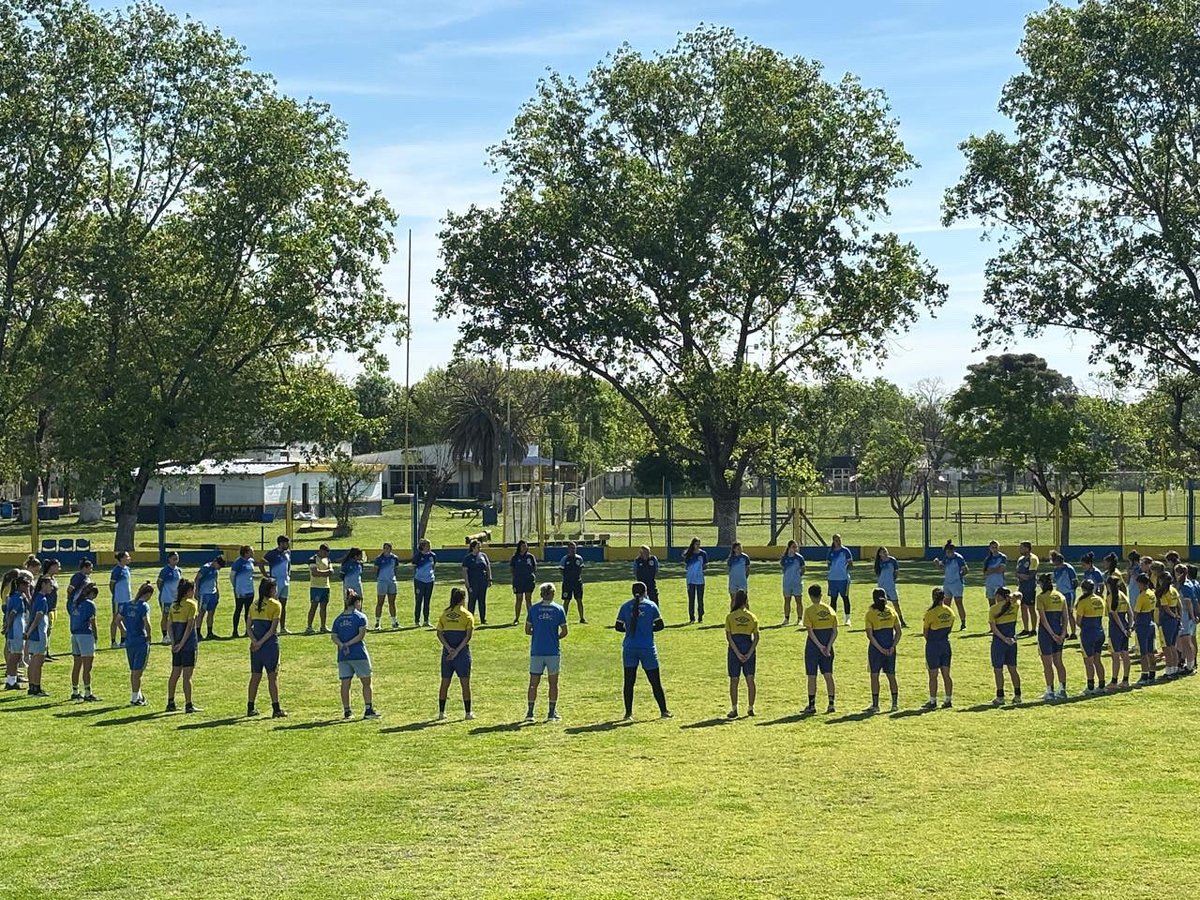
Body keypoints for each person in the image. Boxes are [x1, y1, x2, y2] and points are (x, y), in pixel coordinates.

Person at [615, 582, 671, 719]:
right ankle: (664, 711)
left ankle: (628, 713)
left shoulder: (625, 606)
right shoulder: (651, 606)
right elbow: (660, 626)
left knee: (629, 681)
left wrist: (629, 630)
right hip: (647, 648)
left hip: (629, 648)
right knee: (655, 681)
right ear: (646, 591)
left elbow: (618, 627)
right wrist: (647, 629)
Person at [332, 590, 379, 720]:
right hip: (358, 654)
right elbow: (361, 635)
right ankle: (368, 709)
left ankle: (347, 711)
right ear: (357, 602)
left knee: (345, 683)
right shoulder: (360, 617)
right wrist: (349, 643)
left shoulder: (338, 619)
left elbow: (334, 636)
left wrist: (342, 645)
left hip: (343, 656)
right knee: (366, 682)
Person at [526, 582, 568, 721]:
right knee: (553, 683)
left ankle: (530, 713)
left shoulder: (533, 609)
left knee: (533, 683)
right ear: (553, 594)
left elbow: (527, 630)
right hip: (552, 651)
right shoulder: (559, 609)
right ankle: (551, 713)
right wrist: (554, 637)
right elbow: (564, 631)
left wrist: (538, 633)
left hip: (537, 650)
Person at [246, 576, 286, 718]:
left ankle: (250, 707)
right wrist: (261, 642)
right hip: (269, 646)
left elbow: (248, 626)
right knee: (272, 677)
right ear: (271, 589)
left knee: (255, 676)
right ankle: (276, 709)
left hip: (255, 646)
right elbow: (272, 629)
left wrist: (255, 641)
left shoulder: (254, 604)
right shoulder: (276, 605)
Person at [436, 587, 474, 721]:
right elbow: (468, 637)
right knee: (465, 683)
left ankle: (441, 713)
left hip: (447, 653)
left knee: (445, 682)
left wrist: (448, 648)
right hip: (462, 654)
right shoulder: (467, 615)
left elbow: (439, 633)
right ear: (463, 599)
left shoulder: (444, 614)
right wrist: (457, 651)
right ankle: (468, 713)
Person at [864, 587, 901, 713]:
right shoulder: (892, 612)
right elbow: (899, 632)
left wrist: (879, 648)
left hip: (876, 650)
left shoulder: (870, 614)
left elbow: (870, 635)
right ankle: (894, 704)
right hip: (890, 649)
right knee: (891, 676)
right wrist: (892, 647)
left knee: (874, 676)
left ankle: (875, 705)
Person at [802, 584, 837, 714]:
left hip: (813, 648)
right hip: (827, 647)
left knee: (812, 676)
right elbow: (835, 631)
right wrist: (827, 646)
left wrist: (819, 646)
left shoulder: (809, 611)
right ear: (821, 594)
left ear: (810, 596)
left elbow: (810, 632)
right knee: (828, 675)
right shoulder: (830, 610)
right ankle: (831, 704)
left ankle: (812, 705)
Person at [167, 579, 201, 713]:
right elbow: (190, 625)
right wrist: (182, 643)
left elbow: (169, 625)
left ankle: (170, 702)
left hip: (176, 645)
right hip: (188, 645)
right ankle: (188, 704)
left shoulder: (173, 605)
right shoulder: (192, 604)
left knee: (175, 673)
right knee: (187, 676)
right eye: (193, 590)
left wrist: (174, 642)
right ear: (188, 591)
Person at [725, 589, 759, 718]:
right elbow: (756, 637)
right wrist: (749, 653)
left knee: (734, 680)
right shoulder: (752, 617)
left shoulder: (730, 617)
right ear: (746, 601)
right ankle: (750, 708)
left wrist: (737, 653)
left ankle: (734, 708)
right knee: (750, 679)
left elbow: (729, 637)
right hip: (748, 648)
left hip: (734, 651)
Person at [119, 581, 154, 706]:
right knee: (138, 670)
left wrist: (124, 631)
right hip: (140, 640)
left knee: (133, 669)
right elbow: (147, 623)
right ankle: (135, 698)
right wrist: (149, 636)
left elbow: (118, 620)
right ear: (148, 594)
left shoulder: (128, 604)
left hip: (129, 640)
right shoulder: (144, 606)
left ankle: (138, 694)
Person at [1036, 572, 1069, 701]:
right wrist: (1062, 634)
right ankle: (1062, 689)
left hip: (1046, 633)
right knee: (1059, 662)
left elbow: (1043, 620)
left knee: (1047, 664)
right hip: (1059, 630)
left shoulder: (1041, 598)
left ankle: (1050, 691)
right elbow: (1065, 617)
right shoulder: (1061, 596)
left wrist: (1052, 634)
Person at [922, 587, 956, 709]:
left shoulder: (930, 613)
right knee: (946, 674)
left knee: (933, 675)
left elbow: (925, 632)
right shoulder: (950, 612)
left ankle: (932, 701)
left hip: (933, 646)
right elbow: (950, 628)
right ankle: (948, 700)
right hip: (945, 644)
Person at [987, 586, 1021, 706]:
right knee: (1013, 669)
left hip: (999, 643)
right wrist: (1012, 597)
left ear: (999, 596)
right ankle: (1017, 695)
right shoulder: (1015, 605)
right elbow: (1020, 595)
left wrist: (1003, 639)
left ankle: (1000, 697)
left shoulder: (994, 609)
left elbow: (994, 628)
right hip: (1012, 641)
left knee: (998, 670)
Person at [68, 583, 100, 701]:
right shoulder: (90, 604)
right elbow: (93, 622)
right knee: (87, 667)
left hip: (75, 635)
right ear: (91, 594)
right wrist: (96, 635)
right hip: (85, 636)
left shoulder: (75, 603)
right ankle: (88, 692)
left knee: (76, 665)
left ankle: (75, 691)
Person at [1075, 580, 1107, 694]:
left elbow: (1078, 621)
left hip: (1088, 634)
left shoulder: (1083, 602)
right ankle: (1102, 685)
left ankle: (1090, 687)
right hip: (1100, 632)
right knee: (1098, 660)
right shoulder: (1100, 599)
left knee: (1088, 661)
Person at [24, 575, 52, 697]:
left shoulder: (36, 598)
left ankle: (31, 687)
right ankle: (36, 687)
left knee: (32, 661)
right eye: (50, 584)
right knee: (38, 662)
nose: (52, 587)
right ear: (43, 585)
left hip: (33, 634)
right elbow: (37, 619)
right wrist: (29, 632)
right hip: (39, 634)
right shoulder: (42, 600)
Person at [3, 570, 31, 691]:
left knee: (14, 656)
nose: (27, 587)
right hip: (16, 630)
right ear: (19, 586)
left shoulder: (14, 597)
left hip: (15, 630)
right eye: (25, 585)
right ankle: (11, 681)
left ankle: (11, 680)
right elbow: (13, 613)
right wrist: (8, 626)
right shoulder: (18, 598)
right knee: (15, 656)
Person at [261, 535, 293, 634]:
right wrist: (267, 576)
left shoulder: (287, 553)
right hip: (276, 582)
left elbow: (288, 565)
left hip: (285, 582)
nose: (288, 545)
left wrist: (288, 575)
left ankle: (282, 628)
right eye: (286, 543)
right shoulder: (272, 553)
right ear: (281, 543)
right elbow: (261, 562)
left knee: (283, 605)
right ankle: (271, 629)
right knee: (273, 605)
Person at [1105, 576, 1132, 689]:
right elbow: (1130, 613)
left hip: (1116, 629)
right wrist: (1129, 627)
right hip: (1125, 626)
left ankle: (1114, 681)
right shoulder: (1123, 595)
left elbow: (1114, 614)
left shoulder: (1111, 597)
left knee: (1115, 656)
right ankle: (1125, 680)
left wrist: (1122, 629)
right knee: (1125, 654)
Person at [935, 540, 969, 631]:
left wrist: (959, 576)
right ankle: (946, 622)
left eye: (949, 552)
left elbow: (966, 570)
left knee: (958, 602)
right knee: (946, 603)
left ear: (953, 551)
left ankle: (963, 623)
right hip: (947, 583)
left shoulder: (959, 558)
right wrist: (937, 564)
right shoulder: (946, 558)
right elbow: (941, 567)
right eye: (947, 552)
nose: (948, 554)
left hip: (957, 584)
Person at [1155, 572, 1182, 678]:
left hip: (1166, 621)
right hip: (1175, 621)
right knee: (1173, 646)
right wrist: (1178, 616)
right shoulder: (1174, 590)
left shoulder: (1163, 593)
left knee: (1166, 647)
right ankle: (1175, 669)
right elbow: (1179, 605)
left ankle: (1169, 670)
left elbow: (1165, 608)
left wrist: (1173, 615)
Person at [1132, 573, 1157, 683]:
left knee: (1143, 652)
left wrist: (1133, 623)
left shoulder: (1142, 596)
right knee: (1151, 651)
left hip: (1142, 624)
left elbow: (1136, 612)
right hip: (1150, 622)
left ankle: (1144, 675)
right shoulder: (1152, 593)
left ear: (1141, 583)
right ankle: (1152, 673)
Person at [873, 546, 906, 628]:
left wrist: (893, 580)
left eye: (885, 551)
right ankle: (882, 620)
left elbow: (896, 571)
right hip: (881, 586)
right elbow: (878, 573)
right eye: (883, 551)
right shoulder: (878, 562)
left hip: (891, 585)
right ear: (879, 554)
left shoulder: (892, 560)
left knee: (896, 603)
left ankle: (901, 620)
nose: (885, 552)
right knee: (881, 604)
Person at [195, 554, 225, 640]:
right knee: (201, 613)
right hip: (204, 593)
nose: (219, 568)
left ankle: (210, 632)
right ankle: (197, 632)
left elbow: (215, 581)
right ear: (215, 562)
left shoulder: (215, 570)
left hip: (213, 593)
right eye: (219, 566)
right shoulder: (205, 568)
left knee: (211, 613)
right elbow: (197, 579)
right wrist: (196, 591)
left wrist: (217, 591)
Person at [461, 540, 492, 625]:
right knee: (472, 601)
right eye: (478, 547)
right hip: (473, 583)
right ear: (473, 548)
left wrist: (489, 579)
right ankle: (470, 619)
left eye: (480, 547)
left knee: (482, 600)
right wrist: (467, 583)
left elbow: (487, 567)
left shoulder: (483, 556)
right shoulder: (467, 558)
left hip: (483, 582)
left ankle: (483, 619)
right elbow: (464, 571)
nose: (479, 549)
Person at [229, 546, 257, 639]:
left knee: (248, 611)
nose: (253, 552)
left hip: (249, 589)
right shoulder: (238, 563)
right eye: (251, 551)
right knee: (238, 609)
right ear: (246, 552)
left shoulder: (251, 561)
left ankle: (247, 630)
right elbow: (232, 576)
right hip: (240, 590)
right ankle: (235, 631)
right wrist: (236, 587)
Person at [826, 534, 854, 627]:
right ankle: (833, 619)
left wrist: (845, 570)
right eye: (836, 540)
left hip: (843, 579)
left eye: (839, 540)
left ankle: (847, 619)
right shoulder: (830, 552)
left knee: (845, 598)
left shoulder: (845, 551)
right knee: (833, 599)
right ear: (833, 541)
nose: (838, 541)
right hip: (832, 579)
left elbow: (851, 564)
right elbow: (828, 564)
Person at [1050, 551, 1079, 640]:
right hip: (1060, 594)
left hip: (1069, 593)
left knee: (1069, 613)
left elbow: (1075, 582)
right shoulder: (1056, 570)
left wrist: (1071, 591)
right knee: (1061, 613)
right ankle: (1065, 632)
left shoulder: (1068, 568)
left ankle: (1073, 633)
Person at [306, 543, 333, 635]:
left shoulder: (328, 559)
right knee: (313, 606)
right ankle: (309, 626)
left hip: (326, 586)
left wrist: (321, 572)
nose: (326, 555)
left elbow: (331, 571)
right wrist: (325, 573)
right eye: (325, 553)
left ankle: (323, 626)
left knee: (324, 607)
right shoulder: (312, 559)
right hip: (316, 587)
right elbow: (314, 573)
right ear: (320, 551)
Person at [156, 551, 182, 645]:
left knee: (175, 616)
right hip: (166, 598)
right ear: (169, 559)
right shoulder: (165, 571)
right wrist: (164, 592)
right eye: (174, 559)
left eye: (177, 558)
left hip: (175, 598)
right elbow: (159, 583)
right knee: (165, 616)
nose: (176, 561)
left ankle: (173, 635)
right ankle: (165, 636)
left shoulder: (178, 570)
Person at [1015, 541, 1040, 636]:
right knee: (1023, 607)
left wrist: (1020, 575)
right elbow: (1017, 574)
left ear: (1027, 548)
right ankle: (1026, 629)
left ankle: (1033, 629)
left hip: (1030, 587)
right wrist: (1020, 576)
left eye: (1021, 548)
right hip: (1021, 587)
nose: (1020, 549)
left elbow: (1030, 575)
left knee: (1031, 608)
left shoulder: (1033, 559)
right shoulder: (1020, 559)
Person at [376, 541, 402, 630]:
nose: (385, 550)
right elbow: (376, 570)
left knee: (392, 602)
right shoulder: (379, 559)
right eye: (384, 548)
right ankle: (377, 622)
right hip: (382, 581)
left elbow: (396, 569)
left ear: (390, 549)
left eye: (387, 548)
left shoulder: (394, 558)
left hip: (392, 581)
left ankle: (394, 622)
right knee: (380, 602)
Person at [510, 540, 537, 624]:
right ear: (519, 547)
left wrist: (531, 576)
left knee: (528, 599)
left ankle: (530, 619)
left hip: (528, 581)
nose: (524, 548)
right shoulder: (515, 557)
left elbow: (534, 568)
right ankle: (516, 618)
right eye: (523, 546)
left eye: (526, 546)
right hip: (518, 581)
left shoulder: (530, 557)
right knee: (519, 599)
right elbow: (512, 569)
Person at [559, 541, 586, 624]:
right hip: (567, 583)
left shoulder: (579, 558)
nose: (573, 550)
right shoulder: (564, 559)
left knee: (579, 600)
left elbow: (581, 569)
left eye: (574, 548)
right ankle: (564, 619)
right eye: (571, 548)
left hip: (577, 583)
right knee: (566, 601)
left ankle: (582, 618)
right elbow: (561, 570)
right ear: (568, 549)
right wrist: (567, 578)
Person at [109, 550, 132, 648]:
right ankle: (113, 641)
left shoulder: (127, 569)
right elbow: (112, 585)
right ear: (122, 558)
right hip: (119, 599)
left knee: (125, 619)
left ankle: (123, 640)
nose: (129, 558)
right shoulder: (116, 571)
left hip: (127, 599)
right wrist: (116, 594)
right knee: (115, 620)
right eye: (127, 557)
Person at [409, 540, 434, 629]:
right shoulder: (418, 556)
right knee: (419, 600)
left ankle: (426, 620)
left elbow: (433, 566)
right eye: (427, 545)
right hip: (419, 581)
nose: (429, 547)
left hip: (429, 581)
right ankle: (417, 621)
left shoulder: (432, 555)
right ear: (423, 546)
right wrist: (417, 576)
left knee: (427, 601)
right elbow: (413, 567)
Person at [780, 540, 806, 625]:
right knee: (787, 600)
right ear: (789, 548)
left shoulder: (799, 558)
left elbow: (803, 569)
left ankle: (799, 619)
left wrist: (798, 577)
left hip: (797, 583)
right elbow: (783, 569)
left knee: (798, 601)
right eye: (793, 547)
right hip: (787, 583)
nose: (795, 549)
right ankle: (786, 619)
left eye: (796, 547)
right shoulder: (784, 558)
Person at [683, 537, 708, 624]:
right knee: (691, 599)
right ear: (693, 545)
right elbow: (686, 566)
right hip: (690, 579)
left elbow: (705, 566)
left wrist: (700, 568)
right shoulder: (689, 554)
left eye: (699, 544)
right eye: (696, 544)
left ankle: (700, 617)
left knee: (700, 599)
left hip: (700, 579)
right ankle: (692, 617)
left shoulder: (703, 554)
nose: (698, 546)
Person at [1180, 566, 1198, 675]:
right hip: (1193, 615)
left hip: (1187, 616)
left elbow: (1189, 602)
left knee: (1187, 641)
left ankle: (1190, 665)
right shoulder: (1194, 584)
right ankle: (1192, 662)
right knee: (1192, 639)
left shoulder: (1185, 586)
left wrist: (1192, 615)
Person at [42, 558, 60, 661]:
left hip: (53, 608)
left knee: (49, 631)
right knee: (45, 630)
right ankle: (43, 653)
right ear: (51, 567)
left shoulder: (53, 579)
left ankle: (47, 651)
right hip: (47, 608)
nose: (59, 568)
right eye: (57, 566)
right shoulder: (45, 579)